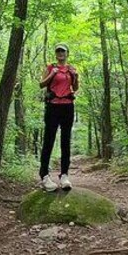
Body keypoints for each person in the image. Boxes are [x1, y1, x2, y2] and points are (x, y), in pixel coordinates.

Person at [38, 43, 79, 192]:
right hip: (53, 106)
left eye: (63, 51)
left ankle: (64, 176)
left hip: (68, 106)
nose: (60, 53)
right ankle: (44, 176)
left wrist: (75, 77)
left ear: (67, 53)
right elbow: (41, 84)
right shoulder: (50, 67)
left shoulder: (71, 69)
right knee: (48, 141)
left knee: (65, 142)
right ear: (56, 54)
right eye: (58, 51)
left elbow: (75, 88)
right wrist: (52, 74)